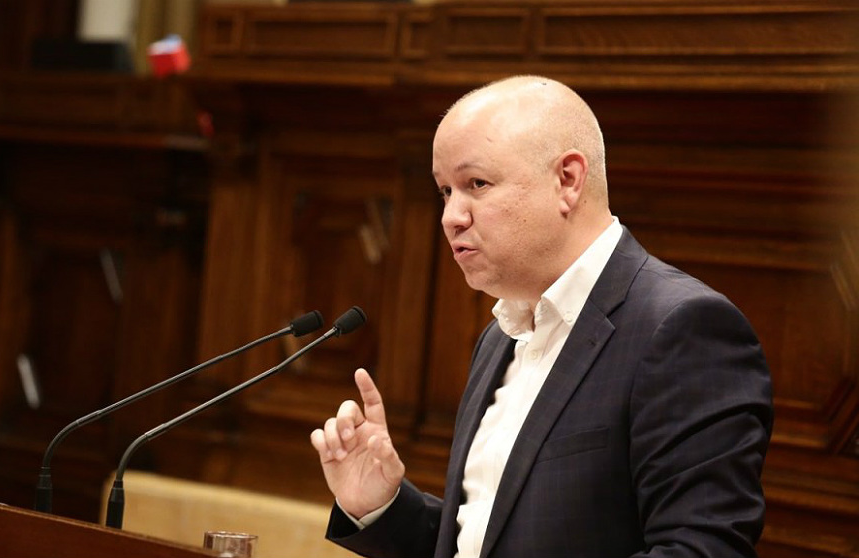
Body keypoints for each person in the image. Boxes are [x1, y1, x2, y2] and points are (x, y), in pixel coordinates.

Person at [309, 75, 773, 558]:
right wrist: (382, 506)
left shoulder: (681, 329)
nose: (451, 216)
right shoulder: (500, 336)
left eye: (476, 184)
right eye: (446, 190)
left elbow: (702, 550)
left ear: (568, 180)